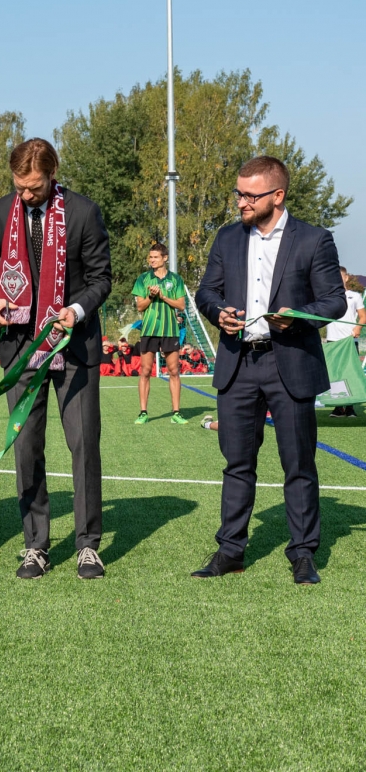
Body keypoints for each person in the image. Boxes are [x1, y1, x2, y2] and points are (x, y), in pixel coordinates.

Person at [193, 155, 344, 585]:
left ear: (277, 196)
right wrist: (217, 312)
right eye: (238, 192)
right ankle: (230, 551)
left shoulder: (314, 240)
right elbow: (207, 291)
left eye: (249, 194)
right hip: (238, 365)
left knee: (298, 464)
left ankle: (302, 554)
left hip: (290, 364)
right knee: (236, 463)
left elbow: (333, 300)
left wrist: (296, 316)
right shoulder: (226, 238)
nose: (240, 201)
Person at [0, 138, 112, 579]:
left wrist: (75, 310)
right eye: (19, 186)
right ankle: (35, 544)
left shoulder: (83, 212)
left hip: (73, 348)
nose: (25, 194)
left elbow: (101, 278)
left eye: (33, 187)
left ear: (53, 175)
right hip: (19, 347)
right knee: (26, 447)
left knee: (83, 446)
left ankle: (88, 545)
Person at [132, 242, 188, 424]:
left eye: (155, 257)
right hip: (149, 330)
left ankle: (176, 413)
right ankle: (143, 412)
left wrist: (163, 297)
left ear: (165, 258)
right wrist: (150, 297)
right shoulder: (143, 279)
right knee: (146, 371)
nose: (152, 260)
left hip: (170, 330)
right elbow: (140, 307)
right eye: (150, 257)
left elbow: (181, 305)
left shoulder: (176, 279)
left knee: (174, 370)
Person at [326, 266, 365, 418]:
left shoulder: (354, 296)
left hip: (348, 341)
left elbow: (363, 317)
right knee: (334, 374)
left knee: (350, 373)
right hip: (332, 340)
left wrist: (358, 329)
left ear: (346, 277)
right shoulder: (327, 296)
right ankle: (338, 408)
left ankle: (350, 408)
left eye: (340, 275)